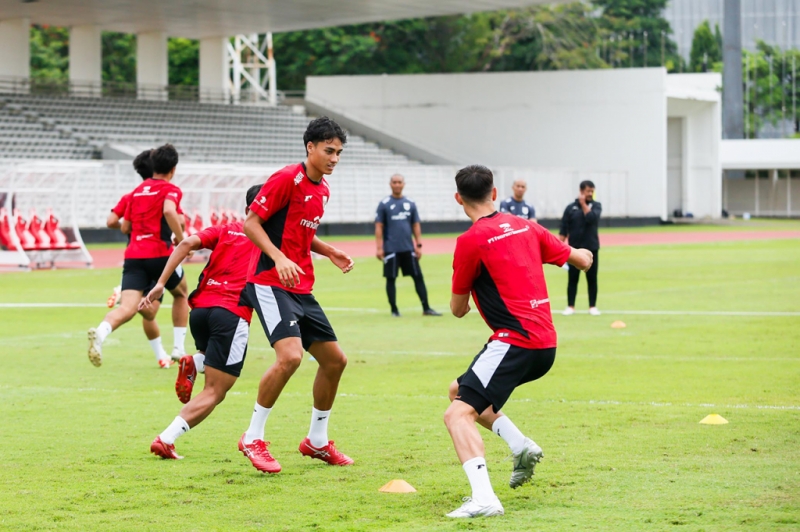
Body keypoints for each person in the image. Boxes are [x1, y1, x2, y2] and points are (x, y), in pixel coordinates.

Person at [444, 165, 593, 518]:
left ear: (458, 199)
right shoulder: (527, 226)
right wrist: (582, 253)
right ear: (495, 193)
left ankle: (484, 499)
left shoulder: (470, 241)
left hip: (515, 341)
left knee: (456, 415)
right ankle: (520, 445)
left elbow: (457, 308)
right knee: (458, 391)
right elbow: (581, 260)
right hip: (545, 345)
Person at [239, 117, 356, 474]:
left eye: (338, 152)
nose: (334, 158)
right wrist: (278, 257)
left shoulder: (322, 190)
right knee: (289, 358)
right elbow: (251, 223)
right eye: (328, 150)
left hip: (300, 285)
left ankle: (316, 442)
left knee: (335, 361)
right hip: (268, 280)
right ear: (310, 147)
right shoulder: (286, 179)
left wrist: (328, 250)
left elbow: (300, 233)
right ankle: (252, 437)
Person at [144, 185, 261, 460]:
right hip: (231, 314)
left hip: (199, 311)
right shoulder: (270, 240)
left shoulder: (226, 229)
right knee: (216, 391)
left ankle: (196, 362)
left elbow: (184, 244)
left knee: (211, 361)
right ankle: (166, 438)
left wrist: (161, 284)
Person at [87, 144, 189, 368]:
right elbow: (171, 212)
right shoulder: (169, 190)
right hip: (160, 254)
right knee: (181, 293)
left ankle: (101, 334)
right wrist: (182, 240)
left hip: (133, 256)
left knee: (131, 309)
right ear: (173, 169)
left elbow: (122, 226)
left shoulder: (134, 194)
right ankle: (178, 348)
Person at [103, 150, 175, 366]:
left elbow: (115, 222)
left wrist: (133, 229)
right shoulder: (162, 193)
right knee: (153, 307)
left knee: (146, 311)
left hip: (134, 254)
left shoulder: (132, 195)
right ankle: (169, 352)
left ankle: (161, 356)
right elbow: (175, 217)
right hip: (155, 254)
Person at [374, 174, 441, 317]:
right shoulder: (384, 204)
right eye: (394, 182)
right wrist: (379, 247)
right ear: (390, 184)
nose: (397, 185)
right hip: (391, 248)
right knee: (391, 278)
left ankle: (426, 308)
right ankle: (394, 310)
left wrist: (419, 244)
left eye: (399, 182)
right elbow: (379, 226)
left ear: (404, 184)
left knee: (418, 277)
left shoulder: (410, 203)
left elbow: (415, 224)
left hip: (408, 248)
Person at [558, 180, 602, 316]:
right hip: (574, 250)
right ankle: (570, 306)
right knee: (572, 278)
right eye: (588, 191)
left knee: (592, 278)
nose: (590, 194)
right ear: (581, 191)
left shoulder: (596, 206)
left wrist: (584, 204)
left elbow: (591, 218)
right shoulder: (571, 208)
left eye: (592, 191)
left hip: (591, 249)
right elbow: (563, 229)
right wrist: (559, 246)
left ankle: (592, 306)